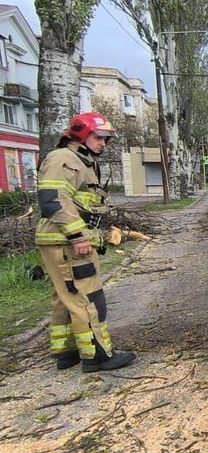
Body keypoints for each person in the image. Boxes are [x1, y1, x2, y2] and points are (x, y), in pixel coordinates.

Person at [35, 112, 136, 372]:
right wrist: (78, 236)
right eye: (99, 137)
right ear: (81, 134)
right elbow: (54, 201)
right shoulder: (63, 160)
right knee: (88, 297)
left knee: (65, 297)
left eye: (106, 140)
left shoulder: (81, 161)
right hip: (67, 242)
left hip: (60, 241)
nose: (104, 144)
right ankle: (98, 356)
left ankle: (67, 352)